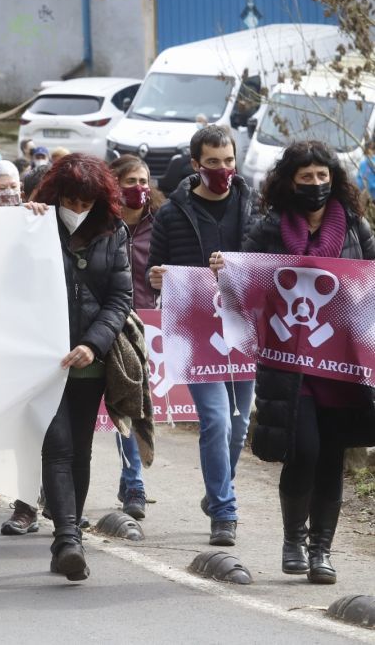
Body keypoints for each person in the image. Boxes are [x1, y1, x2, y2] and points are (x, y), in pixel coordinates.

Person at [239, 141, 375, 585]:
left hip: (343, 367)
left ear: (333, 180)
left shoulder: (355, 227)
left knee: (332, 455)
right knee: (305, 450)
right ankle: (293, 540)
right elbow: (244, 282)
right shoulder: (269, 229)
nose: (316, 184)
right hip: (289, 365)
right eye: (306, 177)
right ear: (290, 182)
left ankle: (322, 551)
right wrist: (222, 269)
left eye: (322, 176)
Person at [147, 124, 255, 547]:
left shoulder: (252, 205)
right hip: (194, 331)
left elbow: (267, 261)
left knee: (238, 425)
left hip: (243, 328)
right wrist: (157, 278)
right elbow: (155, 270)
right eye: (212, 162)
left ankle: (216, 491)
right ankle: (225, 512)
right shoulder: (172, 214)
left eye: (228, 161)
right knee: (215, 418)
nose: (222, 169)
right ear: (195, 164)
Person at [30, 154, 132, 582]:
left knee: (80, 449)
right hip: (40, 360)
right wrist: (23, 218)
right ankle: (69, 538)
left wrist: (93, 344)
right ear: (56, 195)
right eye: (70, 201)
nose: (77, 209)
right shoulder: (33, 223)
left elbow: (120, 298)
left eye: (85, 203)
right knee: (57, 447)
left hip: (89, 360)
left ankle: (67, 541)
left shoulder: (114, 231)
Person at [109, 155, 161, 520]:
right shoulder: (101, 223)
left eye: (143, 181)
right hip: (109, 323)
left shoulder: (160, 223)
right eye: (130, 181)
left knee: (134, 404)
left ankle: (132, 482)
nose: (138, 188)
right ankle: (132, 484)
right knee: (120, 404)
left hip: (149, 324)